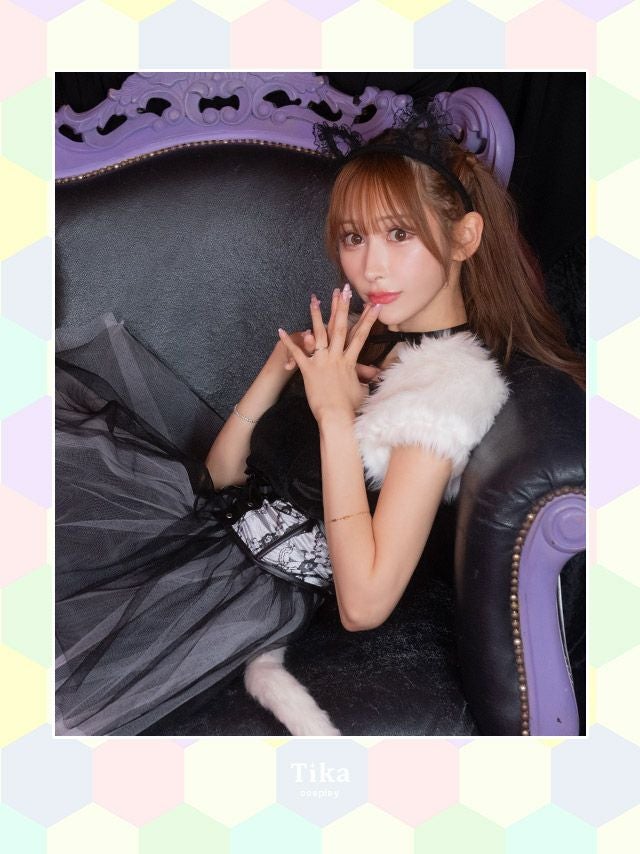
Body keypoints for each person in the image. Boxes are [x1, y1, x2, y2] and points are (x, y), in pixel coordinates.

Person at [54, 102, 584, 736]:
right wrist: (274, 376)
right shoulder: (371, 346)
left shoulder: (446, 391)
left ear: (465, 237)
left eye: (399, 234)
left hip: (232, 599)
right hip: (191, 546)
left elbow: (364, 604)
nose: (370, 267)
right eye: (354, 238)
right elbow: (217, 485)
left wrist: (333, 417)